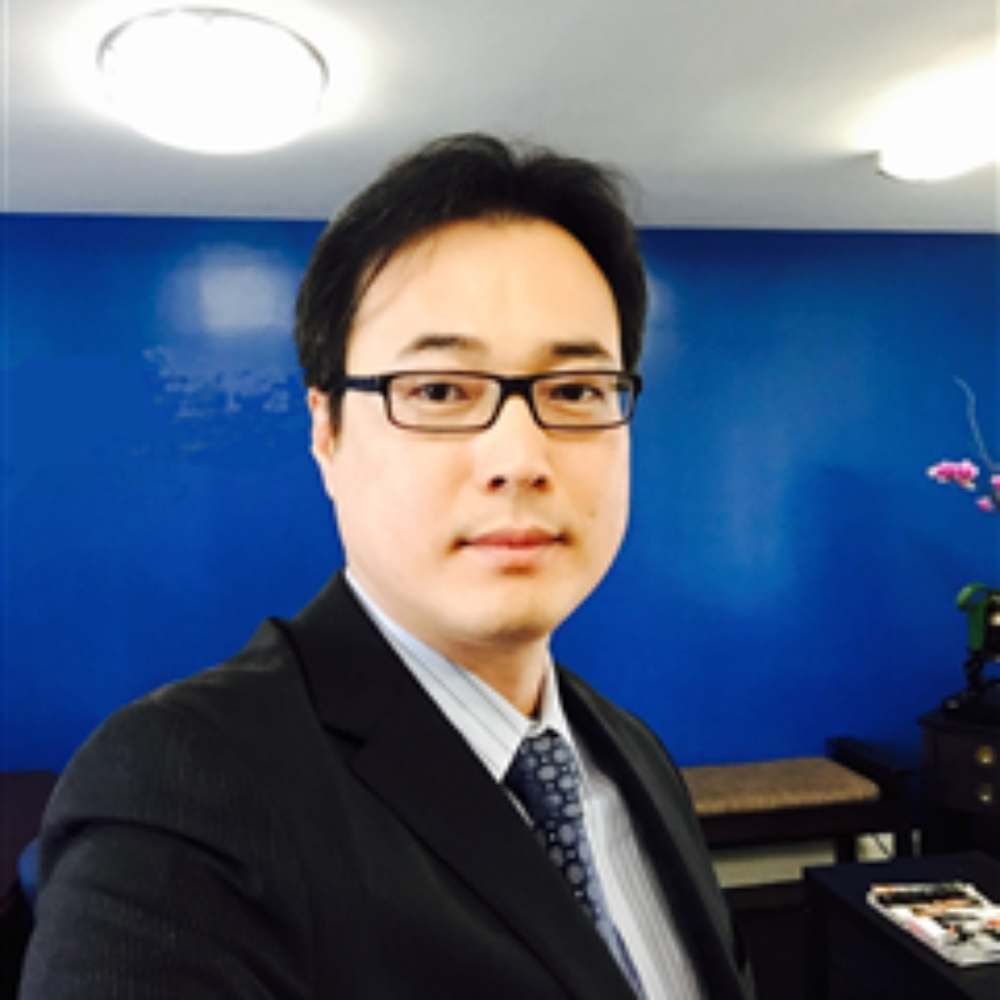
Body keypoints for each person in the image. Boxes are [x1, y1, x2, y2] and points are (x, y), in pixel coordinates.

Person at [20, 134, 754, 999]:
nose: (519, 459)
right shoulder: (182, 786)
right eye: (439, 391)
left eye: (575, 391)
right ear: (325, 431)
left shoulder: (635, 753)